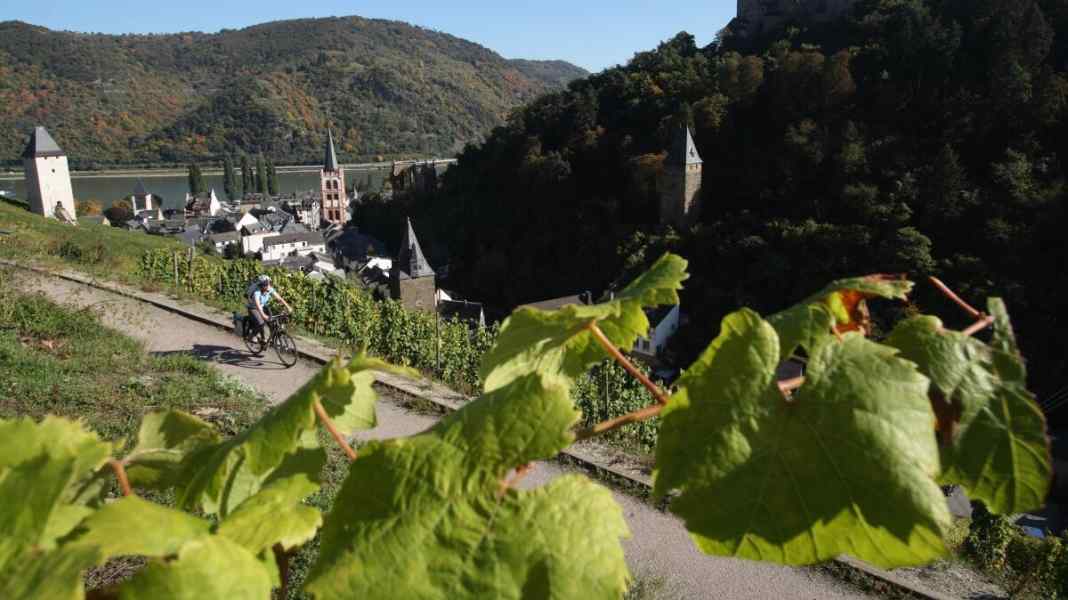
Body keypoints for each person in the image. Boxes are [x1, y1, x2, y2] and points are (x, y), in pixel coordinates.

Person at [246, 275, 293, 348]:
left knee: (272, 321)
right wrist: (263, 315)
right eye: (266, 284)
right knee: (261, 323)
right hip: (253, 308)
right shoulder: (257, 292)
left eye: (268, 284)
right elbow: (258, 306)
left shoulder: (269, 288)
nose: (268, 286)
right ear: (261, 285)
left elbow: (279, 298)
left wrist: (288, 307)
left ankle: (270, 339)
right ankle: (252, 336)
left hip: (263, 306)